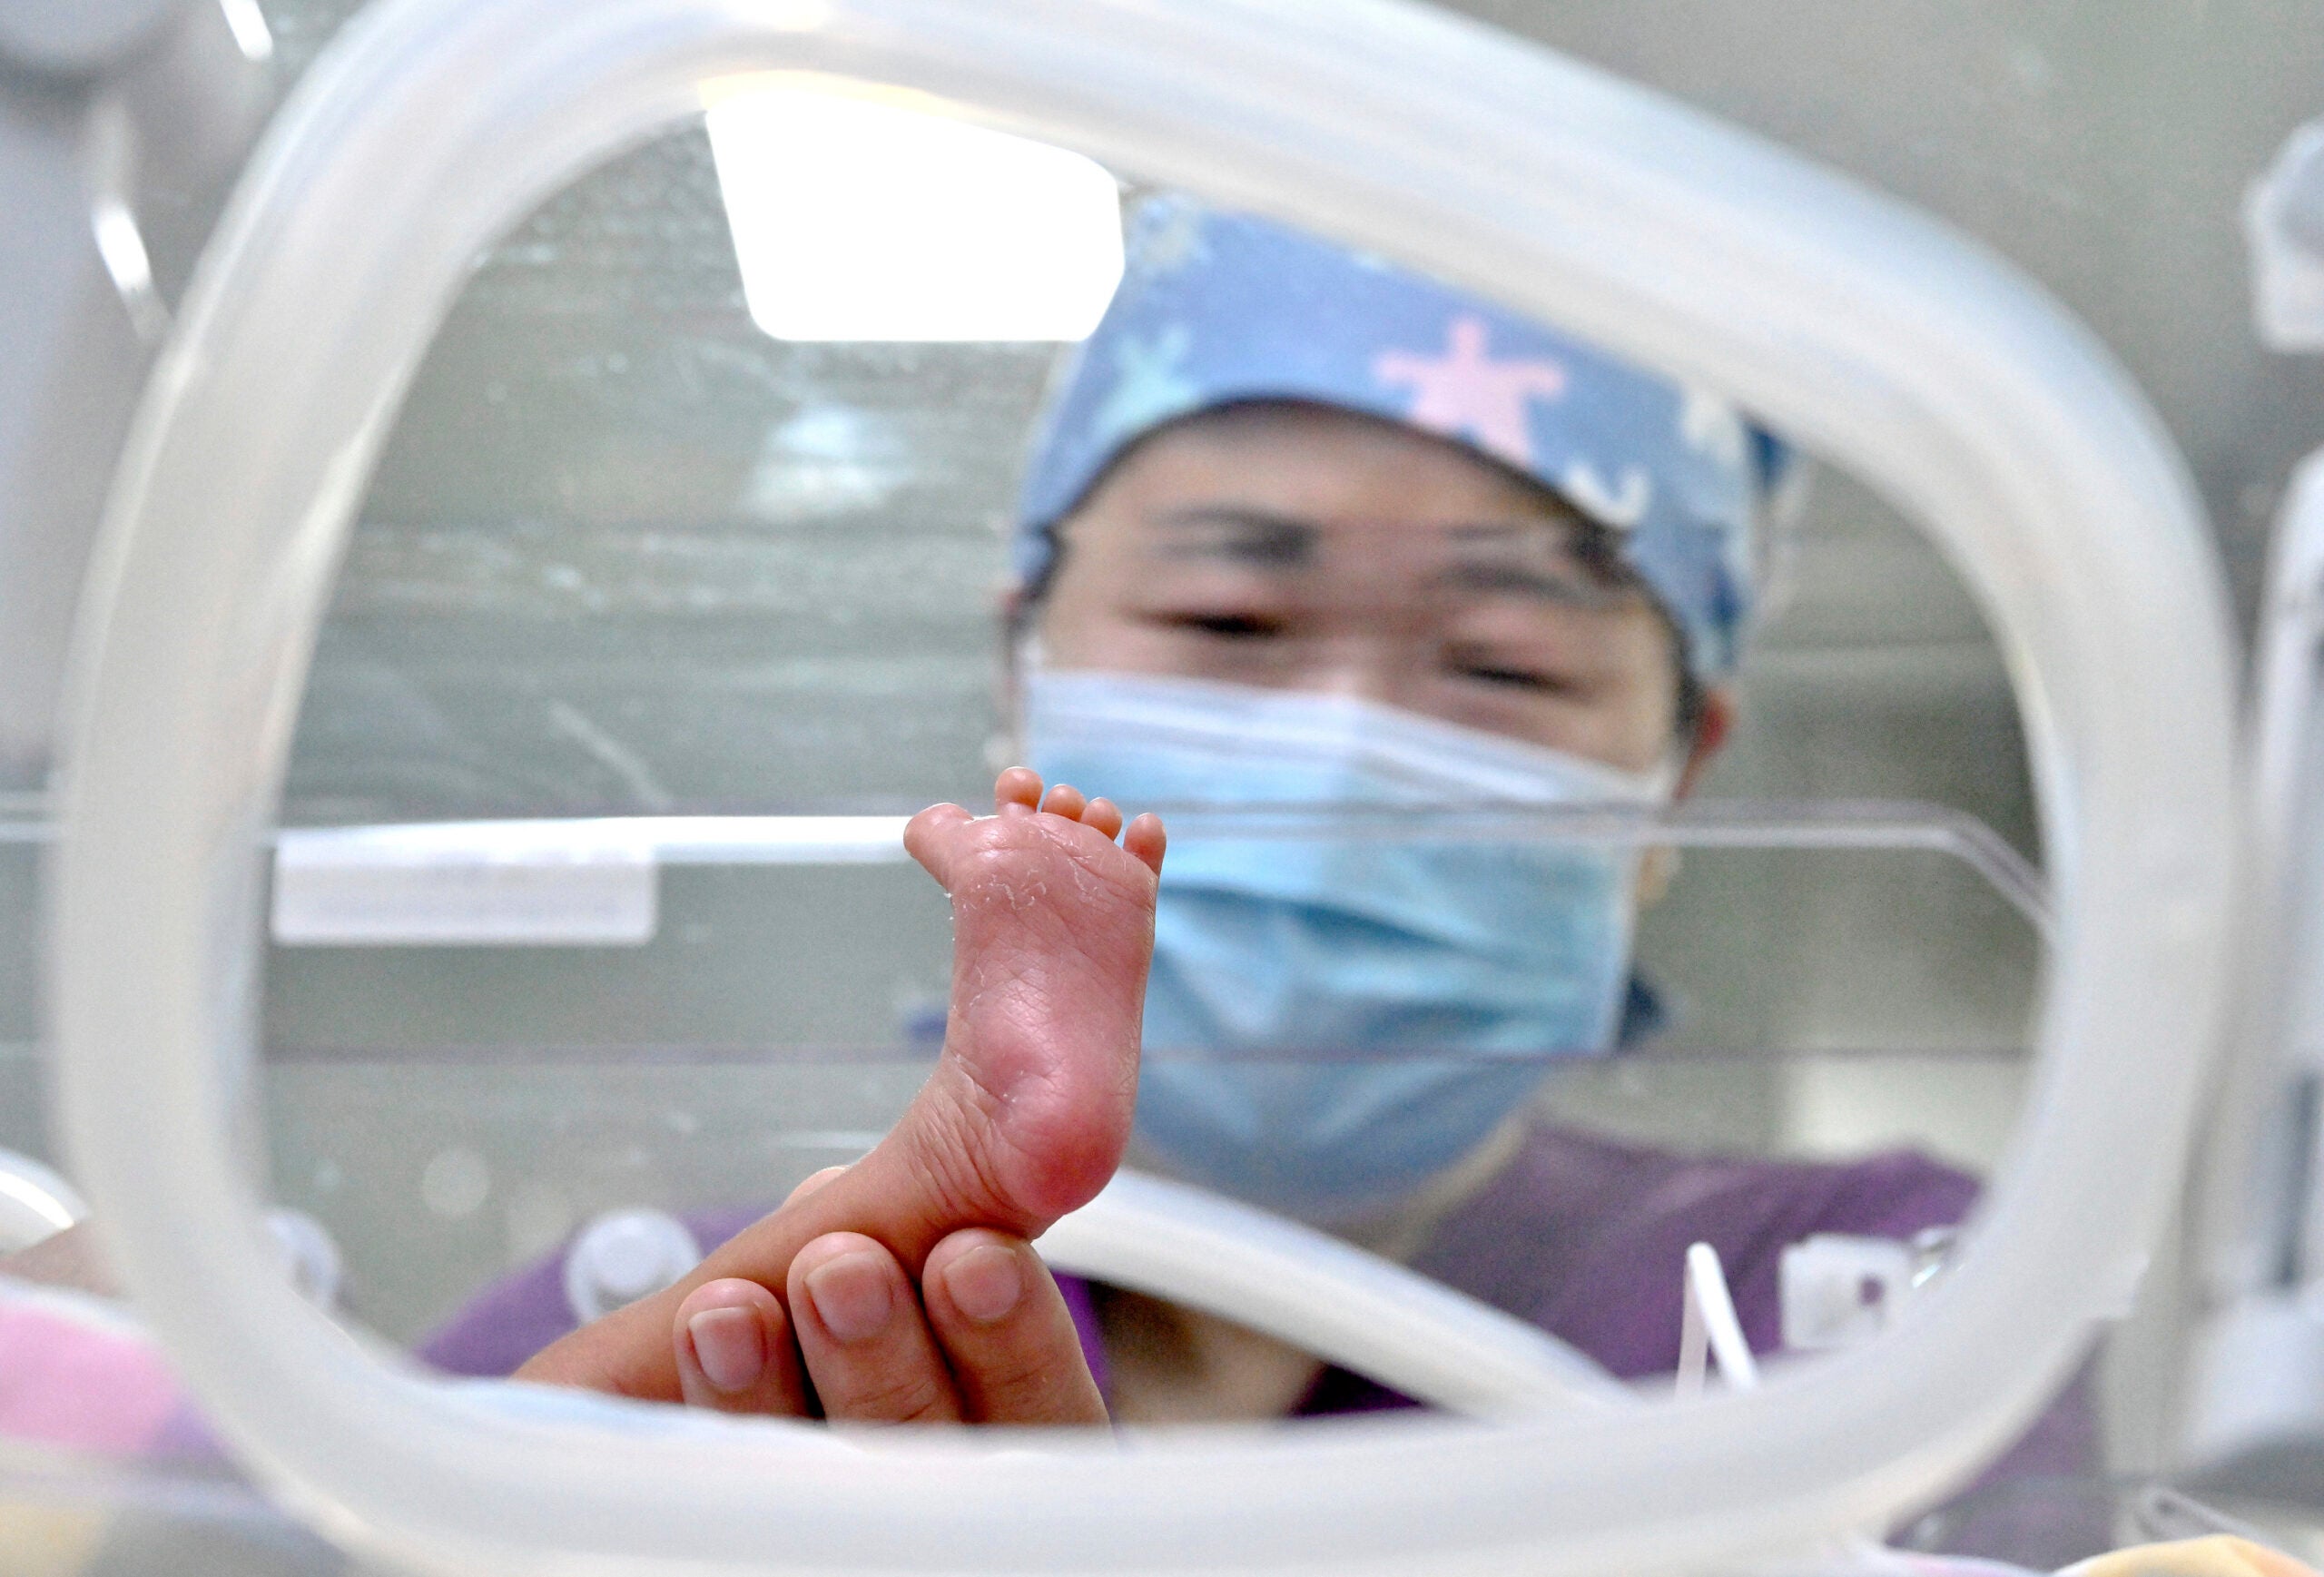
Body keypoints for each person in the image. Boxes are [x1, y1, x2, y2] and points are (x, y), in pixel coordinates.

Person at [443, 198, 2094, 1520]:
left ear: (1679, 778)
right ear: (1022, 666)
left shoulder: (1864, 1315)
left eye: (1504, 659)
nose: (1341, 748)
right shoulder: (717, 1334)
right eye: (1228, 620)